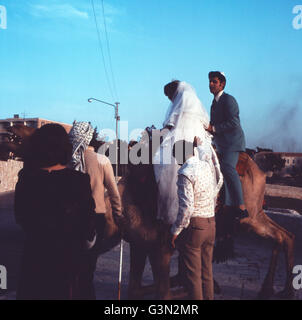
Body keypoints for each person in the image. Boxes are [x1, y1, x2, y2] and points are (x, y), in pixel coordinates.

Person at [14, 124, 96, 300]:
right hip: (69, 266)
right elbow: (88, 226)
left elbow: (20, 217)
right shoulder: (79, 181)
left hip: (34, 262)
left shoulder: (27, 178)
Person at [68, 121, 123, 299]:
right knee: (88, 266)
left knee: (72, 265)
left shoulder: (68, 160)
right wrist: (118, 215)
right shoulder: (101, 160)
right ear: (90, 136)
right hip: (95, 219)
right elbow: (114, 193)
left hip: (71, 218)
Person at [153, 80, 213, 225]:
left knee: (165, 164)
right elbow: (205, 121)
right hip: (196, 132)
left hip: (183, 132)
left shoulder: (183, 97)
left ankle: (171, 215)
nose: (171, 100)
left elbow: (172, 119)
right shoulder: (192, 98)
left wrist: (163, 130)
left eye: (169, 97)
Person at [170, 138, 223, 300]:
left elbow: (186, 208)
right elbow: (218, 177)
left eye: (175, 157)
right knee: (207, 273)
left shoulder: (185, 173)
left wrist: (175, 231)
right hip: (211, 224)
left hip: (195, 228)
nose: (176, 161)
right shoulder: (206, 166)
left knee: (193, 277)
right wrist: (200, 145)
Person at [207, 71, 248, 217]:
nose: (211, 84)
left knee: (226, 167)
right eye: (210, 82)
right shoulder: (213, 103)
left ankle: (241, 206)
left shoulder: (228, 99)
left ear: (222, 84)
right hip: (221, 143)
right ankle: (225, 203)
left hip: (232, 142)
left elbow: (234, 122)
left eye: (214, 82)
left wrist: (214, 128)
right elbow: (212, 125)